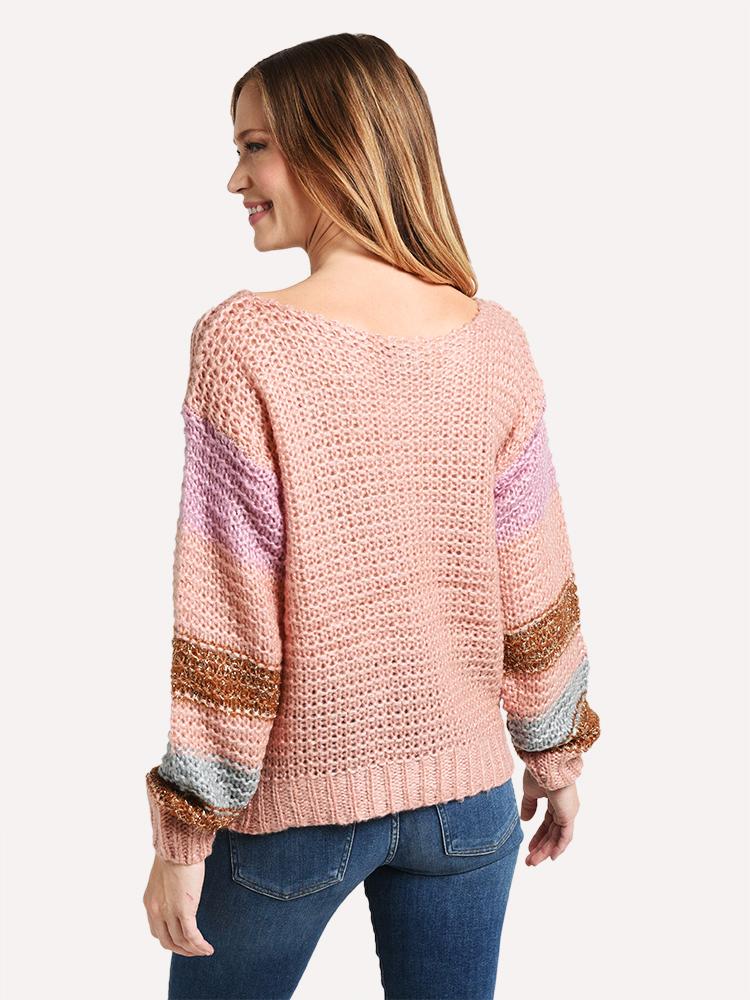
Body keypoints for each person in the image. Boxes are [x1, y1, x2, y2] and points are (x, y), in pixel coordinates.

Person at [142, 32, 601, 1000]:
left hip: (293, 811)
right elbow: (535, 578)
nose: (235, 178)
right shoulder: (493, 339)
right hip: (468, 805)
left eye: (255, 146)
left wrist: (184, 832)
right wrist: (554, 756)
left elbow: (229, 611)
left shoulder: (244, 342)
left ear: (335, 146)